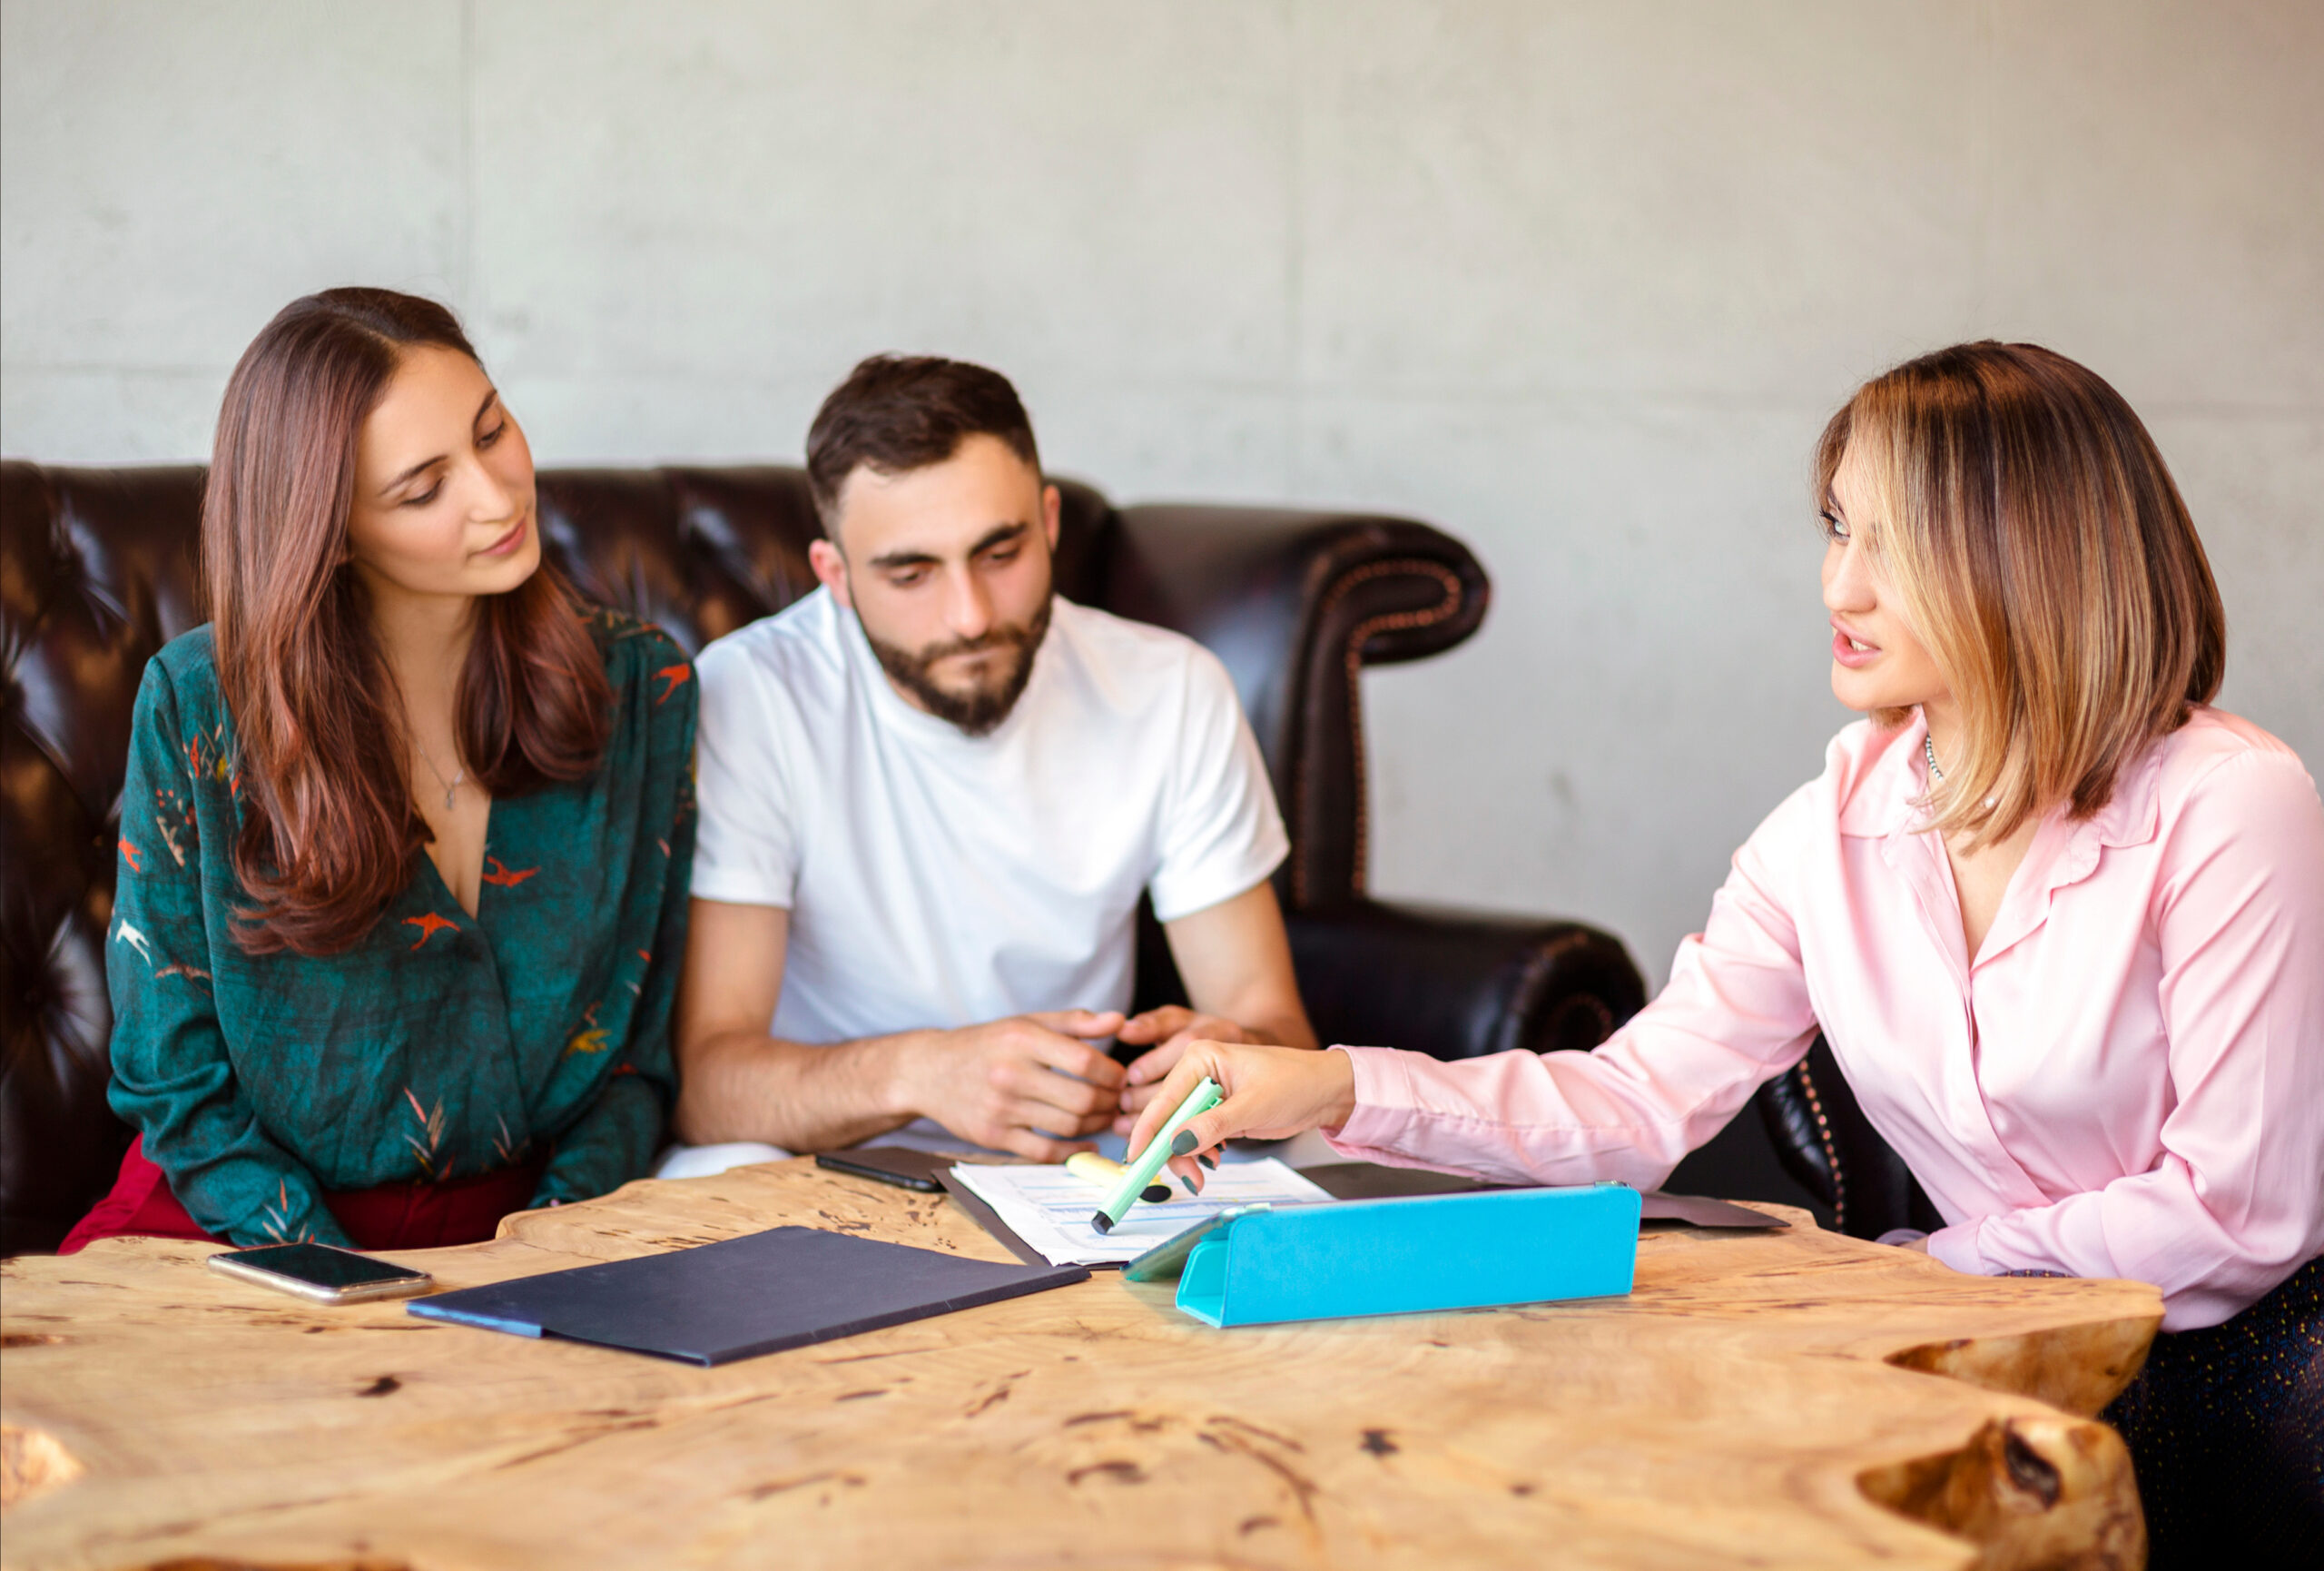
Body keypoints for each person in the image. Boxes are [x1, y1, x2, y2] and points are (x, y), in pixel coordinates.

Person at [1127, 342, 2323, 1566]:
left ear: (2036, 559)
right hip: (1979, 1352)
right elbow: (1635, 1099)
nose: (1839, 586)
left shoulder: (2231, 801)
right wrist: (1332, 1083)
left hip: (2234, 1381)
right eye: (1837, 528)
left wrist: (1927, 1268)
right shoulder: (1830, 826)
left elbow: (2238, 1212)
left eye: (1894, 545)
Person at [61, 289, 696, 1254]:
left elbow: (637, 1062)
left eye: (492, 431)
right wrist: (338, 1281)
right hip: (230, 1220)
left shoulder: (643, 685)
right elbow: (171, 1075)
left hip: (531, 1231)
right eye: (423, 489)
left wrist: (547, 1250)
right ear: (333, 530)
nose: (498, 497)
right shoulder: (199, 705)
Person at [670, 354, 1315, 1171]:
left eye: (1000, 553)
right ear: (835, 574)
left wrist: (1232, 1057)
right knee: (713, 1175)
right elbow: (709, 1086)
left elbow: (1279, 1031)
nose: (970, 617)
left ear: (1049, 522)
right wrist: (922, 1073)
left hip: (1077, 1159)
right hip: (826, 1154)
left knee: (1308, 1152)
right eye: (911, 573)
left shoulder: (1171, 688)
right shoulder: (752, 692)